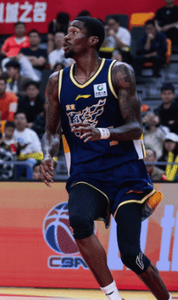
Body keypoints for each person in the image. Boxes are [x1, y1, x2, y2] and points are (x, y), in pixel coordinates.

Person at [40, 16, 170, 300]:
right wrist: (48, 155)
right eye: (66, 32)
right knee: (78, 219)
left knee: (130, 255)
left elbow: (135, 128)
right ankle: (113, 297)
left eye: (74, 32)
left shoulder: (118, 72)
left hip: (126, 173)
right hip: (86, 173)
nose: (66, 37)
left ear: (93, 41)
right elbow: (51, 131)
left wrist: (102, 132)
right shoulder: (56, 81)